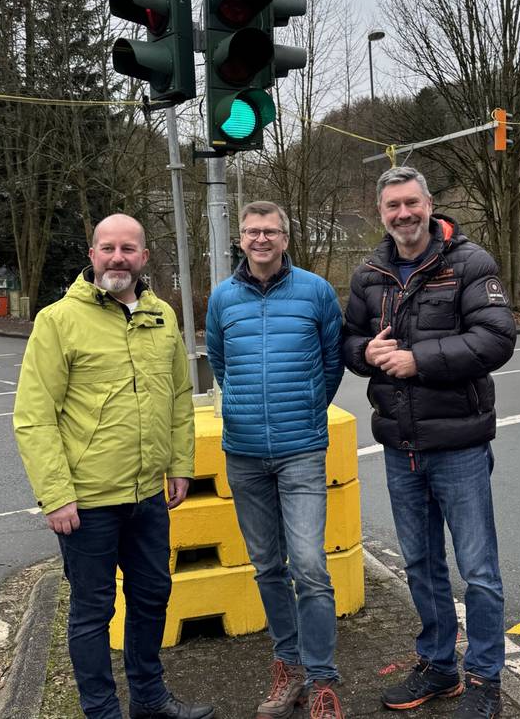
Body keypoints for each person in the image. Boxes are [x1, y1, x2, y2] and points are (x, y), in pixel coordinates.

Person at [13, 213, 213, 719]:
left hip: (149, 496)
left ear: (144, 257)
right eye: (108, 248)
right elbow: (34, 417)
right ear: (93, 255)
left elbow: (177, 398)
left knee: (151, 597)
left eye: (128, 249)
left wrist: (180, 465)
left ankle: (149, 700)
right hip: (88, 502)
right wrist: (56, 495)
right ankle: (101, 711)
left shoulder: (162, 316)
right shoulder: (58, 320)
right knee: (92, 611)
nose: (117, 258)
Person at [343, 167, 515, 719]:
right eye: (392, 206)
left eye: (411, 203)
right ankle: (439, 665)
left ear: (430, 204)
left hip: (459, 444)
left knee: (478, 570)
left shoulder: (470, 263)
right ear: (381, 213)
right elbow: (348, 342)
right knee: (420, 563)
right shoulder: (368, 273)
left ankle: (485, 679)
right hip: (400, 445)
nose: (403, 214)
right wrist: (365, 353)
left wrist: (418, 360)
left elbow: (496, 338)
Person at [205, 201, 345, 719]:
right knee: (267, 566)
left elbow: (332, 365)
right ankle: (287, 669)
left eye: (270, 231)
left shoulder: (316, 291)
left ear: (285, 238)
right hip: (243, 454)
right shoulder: (221, 298)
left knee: (309, 566)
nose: (260, 239)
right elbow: (220, 363)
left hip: (301, 451)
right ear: (239, 240)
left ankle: (324, 680)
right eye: (251, 231)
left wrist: (305, 411)